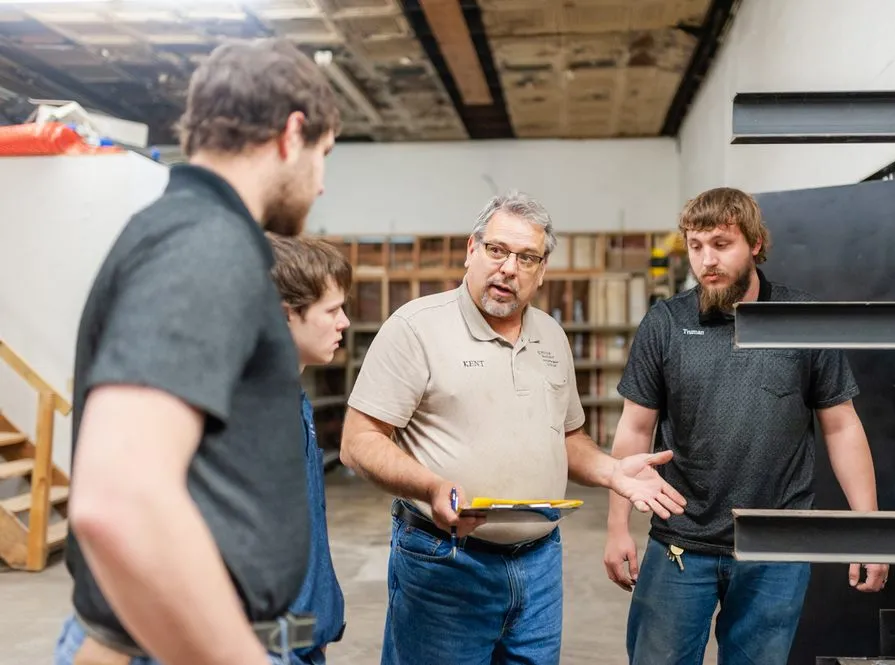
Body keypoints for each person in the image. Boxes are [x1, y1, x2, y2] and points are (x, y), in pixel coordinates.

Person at [55, 37, 340, 665]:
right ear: (292, 134)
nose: (322, 184)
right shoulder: (206, 244)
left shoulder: (179, 229)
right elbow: (117, 497)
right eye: (324, 155)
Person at [339, 190, 688, 665]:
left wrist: (612, 472)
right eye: (497, 250)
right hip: (446, 561)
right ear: (471, 250)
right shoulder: (416, 327)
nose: (508, 268)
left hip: (540, 563)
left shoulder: (551, 336)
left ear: (541, 271)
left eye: (526, 257)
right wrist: (432, 485)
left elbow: (567, 438)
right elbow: (359, 442)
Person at [603, 186, 889, 665]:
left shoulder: (802, 320)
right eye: (696, 246)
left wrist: (870, 530)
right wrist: (616, 527)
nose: (706, 260)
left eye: (721, 244)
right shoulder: (666, 323)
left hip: (775, 548)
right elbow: (634, 429)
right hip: (680, 542)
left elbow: (842, 428)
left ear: (755, 243)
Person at [267, 233, 353, 665]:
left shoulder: (290, 397)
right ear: (286, 315)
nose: (345, 323)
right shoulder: (259, 411)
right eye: (332, 310)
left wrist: (317, 624)